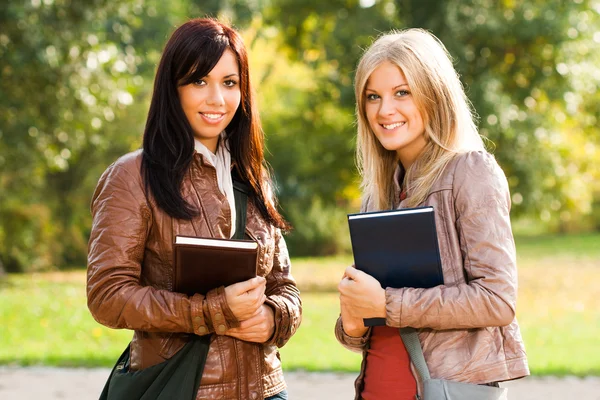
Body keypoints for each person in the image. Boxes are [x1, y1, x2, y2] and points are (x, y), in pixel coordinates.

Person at [87, 18, 301, 400]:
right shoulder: (132, 177)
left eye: (229, 83)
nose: (217, 99)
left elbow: (284, 285)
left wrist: (274, 318)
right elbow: (108, 294)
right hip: (184, 387)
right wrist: (210, 310)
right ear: (173, 88)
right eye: (199, 81)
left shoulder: (253, 178)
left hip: (265, 388)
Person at [335, 29, 529, 400]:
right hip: (376, 388)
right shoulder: (379, 194)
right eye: (372, 97)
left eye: (401, 93)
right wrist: (353, 320)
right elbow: (373, 322)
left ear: (434, 94)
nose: (384, 110)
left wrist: (386, 304)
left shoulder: (470, 172)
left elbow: (498, 298)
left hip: (441, 390)